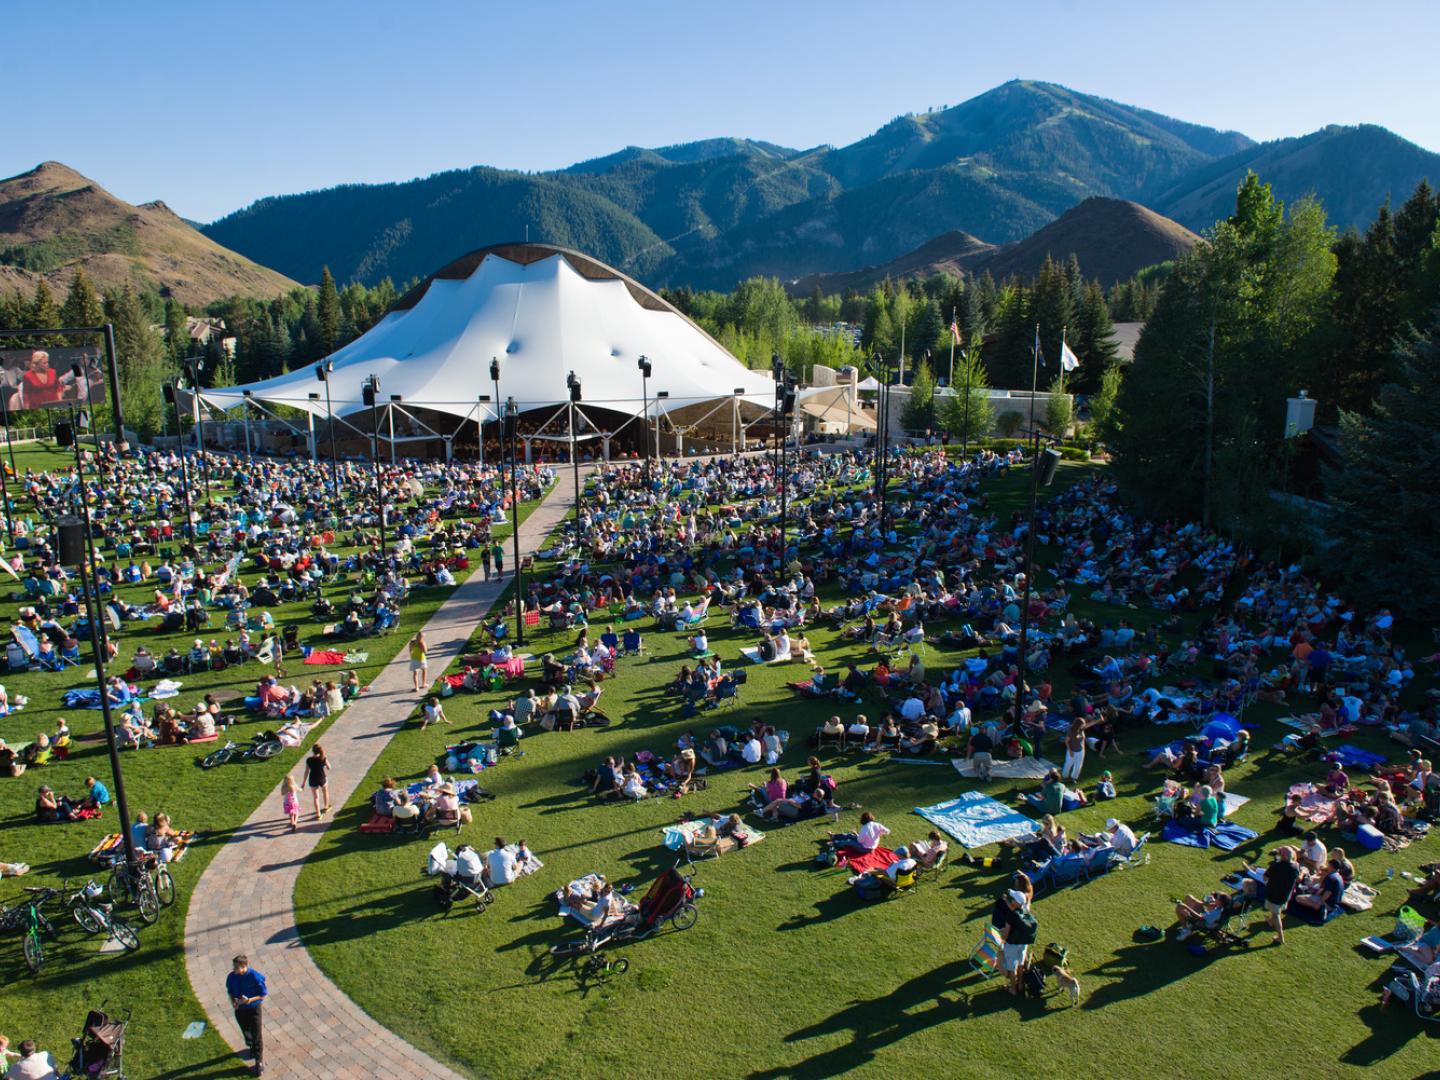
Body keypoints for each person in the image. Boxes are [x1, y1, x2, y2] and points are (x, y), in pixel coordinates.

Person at [226, 954, 267, 1075]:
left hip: (253, 1009)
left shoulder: (255, 977)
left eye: (236, 967)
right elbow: (230, 991)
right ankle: (251, 1045)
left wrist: (249, 1000)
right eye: (234, 967)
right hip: (240, 1009)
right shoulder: (231, 977)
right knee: (245, 1029)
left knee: (257, 1034)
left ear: (244, 966)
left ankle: (259, 1062)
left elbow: (262, 994)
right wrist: (233, 1001)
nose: (234, 970)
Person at [1000, 888, 1039, 997]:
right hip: (1023, 943)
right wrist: (1006, 901)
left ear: (1015, 902)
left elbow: (1006, 932)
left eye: (1012, 899)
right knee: (1021, 964)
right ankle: (1020, 984)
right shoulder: (1025, 910)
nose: (1011, 899)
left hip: (1012, 945)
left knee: (1012, 969)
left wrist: (1002, 940)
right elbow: (1014, 909)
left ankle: (1013, 989)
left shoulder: (1010, 915)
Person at [305, 744, 331, 820]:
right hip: (322, 778)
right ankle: (326, 807)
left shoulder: (309, 760)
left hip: (313, 779)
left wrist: (303, 782)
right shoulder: (323, 758)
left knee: (316, 798)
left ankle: (318, 815)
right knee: (325, 792)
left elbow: (306, 771)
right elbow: (329, 767)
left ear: (313, 751)